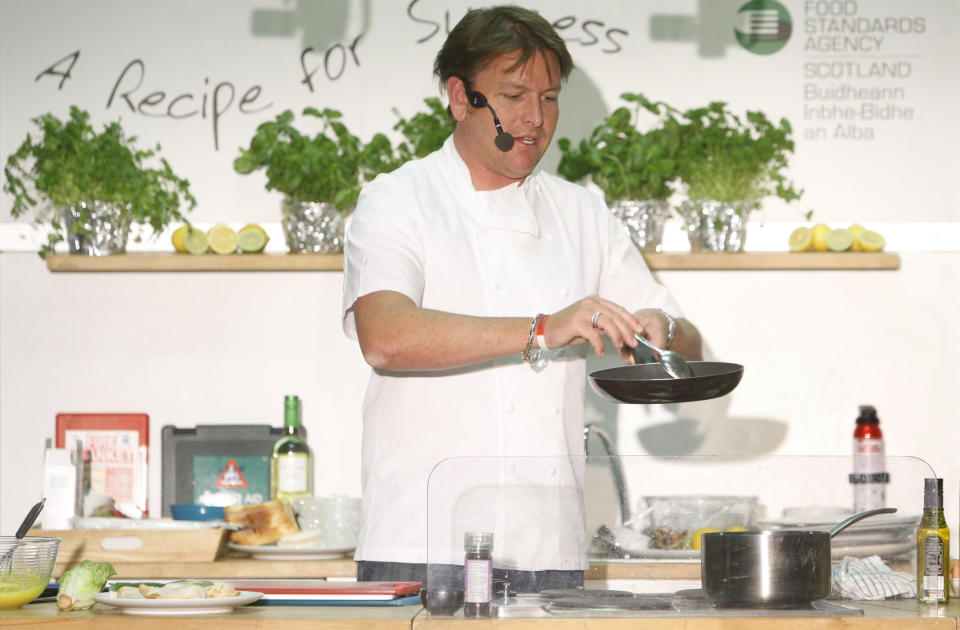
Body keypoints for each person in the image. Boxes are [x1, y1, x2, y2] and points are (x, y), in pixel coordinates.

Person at [342, 5, 702, 592]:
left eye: (550, 97)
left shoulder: (582, 212)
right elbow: (385, 337)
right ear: (461, 98)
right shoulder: (398, 199)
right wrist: (543, 327)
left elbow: (682, 334)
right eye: (513, 96)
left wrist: (661, 327)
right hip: (420, 541)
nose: (535, 119)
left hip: (548, 545)